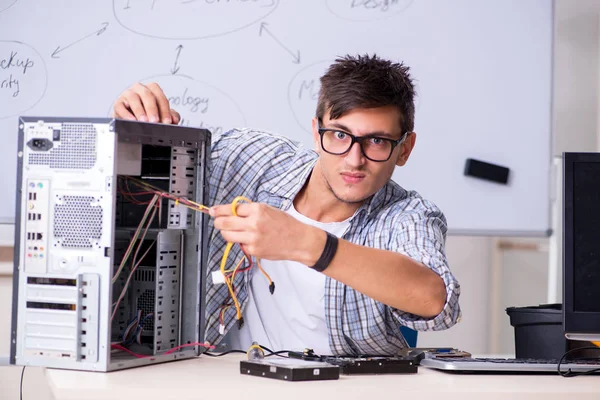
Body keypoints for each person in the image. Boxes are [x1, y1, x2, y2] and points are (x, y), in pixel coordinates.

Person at [112, 54, 461, 356]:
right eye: (339, 135)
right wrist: (129, 121)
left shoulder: (407, 215)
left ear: (405, 148)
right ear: (316, 131)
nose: (355, 160)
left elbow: (434, 299)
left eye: (377, 141)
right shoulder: (252, 159)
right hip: (220, 383)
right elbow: (152, 163)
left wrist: (305, 243)